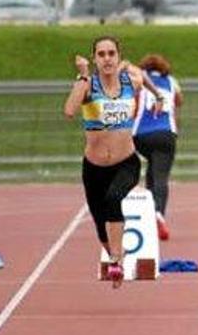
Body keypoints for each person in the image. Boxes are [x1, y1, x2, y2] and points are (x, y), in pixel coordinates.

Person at [63, 36, 164, 288]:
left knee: (113, 199)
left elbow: (142, 75)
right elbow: (69, 110)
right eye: (101, 54)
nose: (107, 58)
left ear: (118, 56)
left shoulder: (131, 81)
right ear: (95, 58)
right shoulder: (88, 85)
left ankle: (117, 261)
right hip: (94, 167)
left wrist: (158, 95)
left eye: (111, 53)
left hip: (126, 162)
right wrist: (83, 75)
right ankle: (115, 255)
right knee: (100, 224)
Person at [133, 54, 183, 241]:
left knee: (150, 172)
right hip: (165, 133)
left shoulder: (139, 78)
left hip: (140, 134)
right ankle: (158, 213)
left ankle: (146, 212)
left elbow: (134, 101)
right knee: (161, 176)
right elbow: (179, 101)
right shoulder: (171, 81)